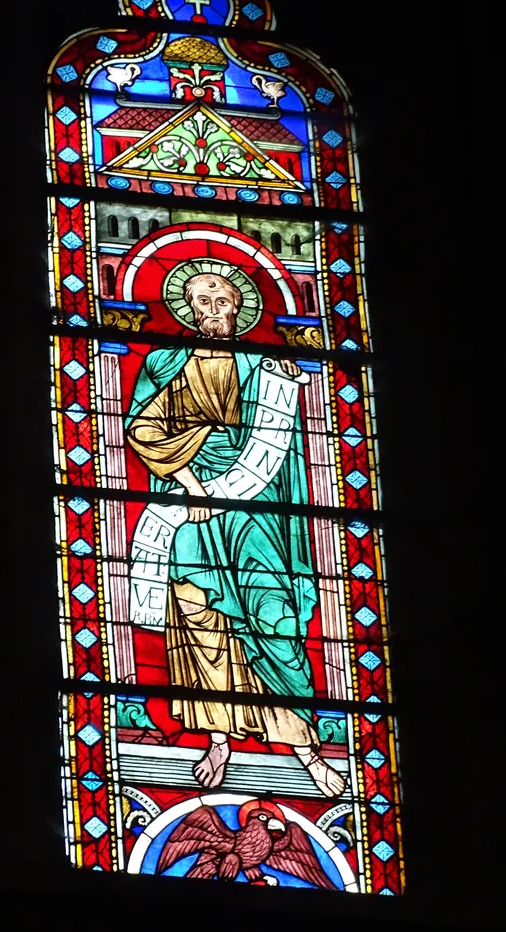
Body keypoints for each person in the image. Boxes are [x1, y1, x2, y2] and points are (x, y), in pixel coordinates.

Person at [126, 270, 345, 797]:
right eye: (202, 299)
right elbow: (142, 429)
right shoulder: (163, 363)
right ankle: (218, 738)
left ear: (237, 308)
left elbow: (281, 451)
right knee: (200, 618)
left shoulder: (260, 368)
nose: (213, 308)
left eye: (222, 299)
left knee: (274, 618)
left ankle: (305, 747)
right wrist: (191, 485)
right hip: (191, 511)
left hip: (256, 510)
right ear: (188, 307)